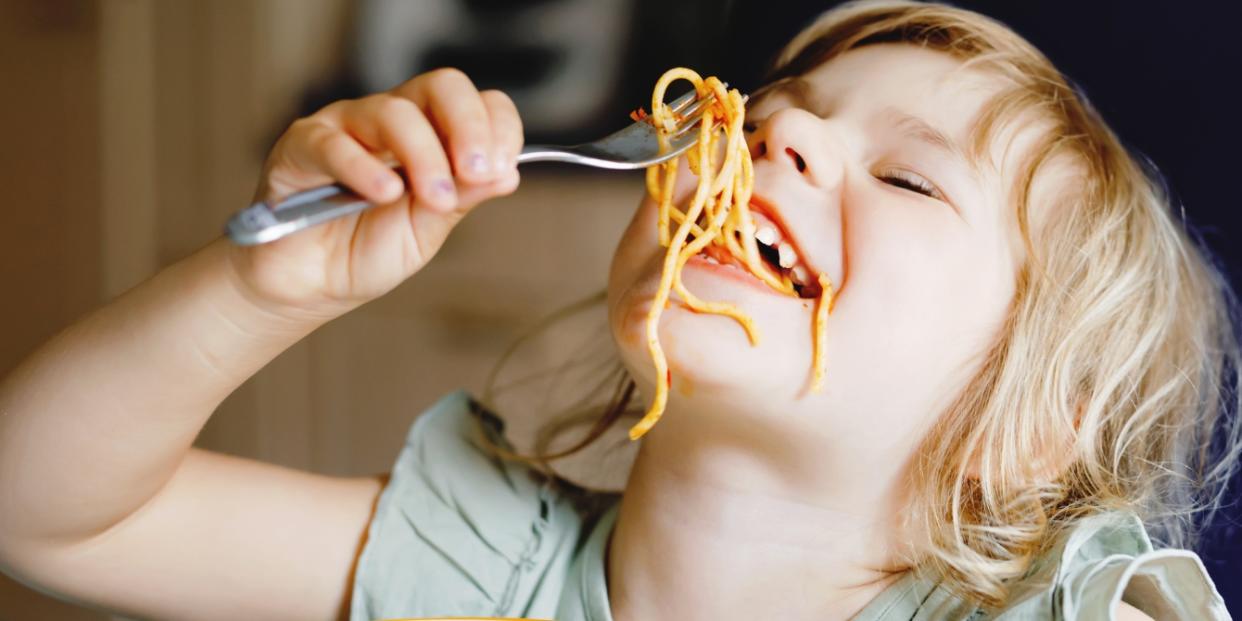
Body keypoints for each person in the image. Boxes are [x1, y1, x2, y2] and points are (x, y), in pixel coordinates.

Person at [0, 1, 1236, 619]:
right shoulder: (484, 573)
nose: (781, 131)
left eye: (909, 177)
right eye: (756, 119)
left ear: (1029, 432)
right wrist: (260, 286)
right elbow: (39, 514)